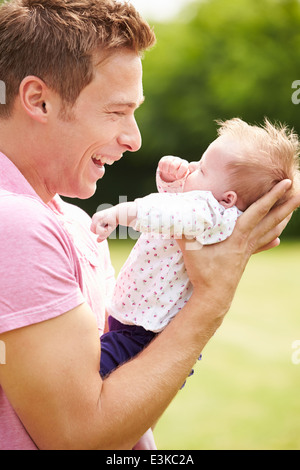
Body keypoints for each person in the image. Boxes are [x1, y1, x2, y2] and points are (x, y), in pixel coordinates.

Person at [0, 0, 299, 451]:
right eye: (117, 111)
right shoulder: (15, 223)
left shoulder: (74, 222)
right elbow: (82, 438)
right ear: (38, 99)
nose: (134, 138)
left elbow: (117, 393)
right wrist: (212, 298)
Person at [91, 118, 300, 377]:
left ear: (228, 199)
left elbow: (167, 211)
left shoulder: (208, 210)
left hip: (142, 331)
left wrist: (122, 212)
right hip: (145, 322)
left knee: (85, 375)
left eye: (201, 170)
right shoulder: (214, 215)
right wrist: (170, 180)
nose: (191, 168)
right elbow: (175, 207)